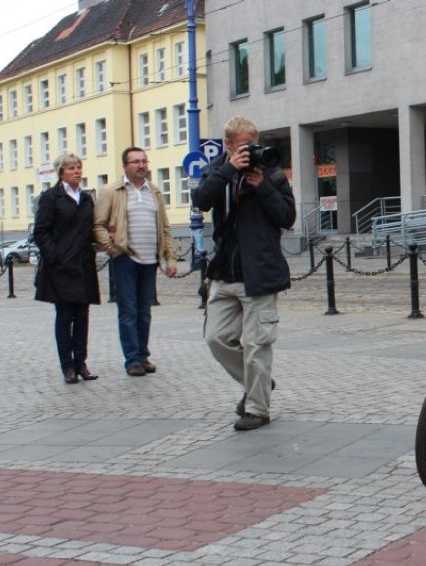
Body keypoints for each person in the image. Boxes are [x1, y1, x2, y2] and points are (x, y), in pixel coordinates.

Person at [193, 116, 296, 431]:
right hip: (225, 272)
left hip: (260, 273)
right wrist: (229, 170)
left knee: (256, 345)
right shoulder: (216, 172)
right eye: (243, 147)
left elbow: (287, 217)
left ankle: (257, 409)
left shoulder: (271, 175)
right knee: (215, 338)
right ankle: (260, 383)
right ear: (227, 145)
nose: (250, 152)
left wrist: (263, 187)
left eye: (253, 145)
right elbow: (201, 200)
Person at [93, 147, 177, 377]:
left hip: (150, 259)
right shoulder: (112, 191)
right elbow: (98, 225)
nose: (141, 165)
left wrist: (170, 258)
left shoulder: (155, 192)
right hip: (125, 258)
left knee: (145, 311)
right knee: (128, 311)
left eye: (144, 161)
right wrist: (112, 249)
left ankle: (143, 354)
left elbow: (165, 228)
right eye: (135, 162)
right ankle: (132, 360)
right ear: (125, 166)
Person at [33, 153, 101, 384]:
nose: (76, 172)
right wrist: (55, 257)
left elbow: (90, 229)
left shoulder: (85, 198)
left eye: (79, 167)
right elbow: (41, 232)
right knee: (64, 317)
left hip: (83, 265)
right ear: (61, 172)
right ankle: (67, 366)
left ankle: (81, 362)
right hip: (61, 267)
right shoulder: (51, 198)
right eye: (71, 168)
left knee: (82, 316)